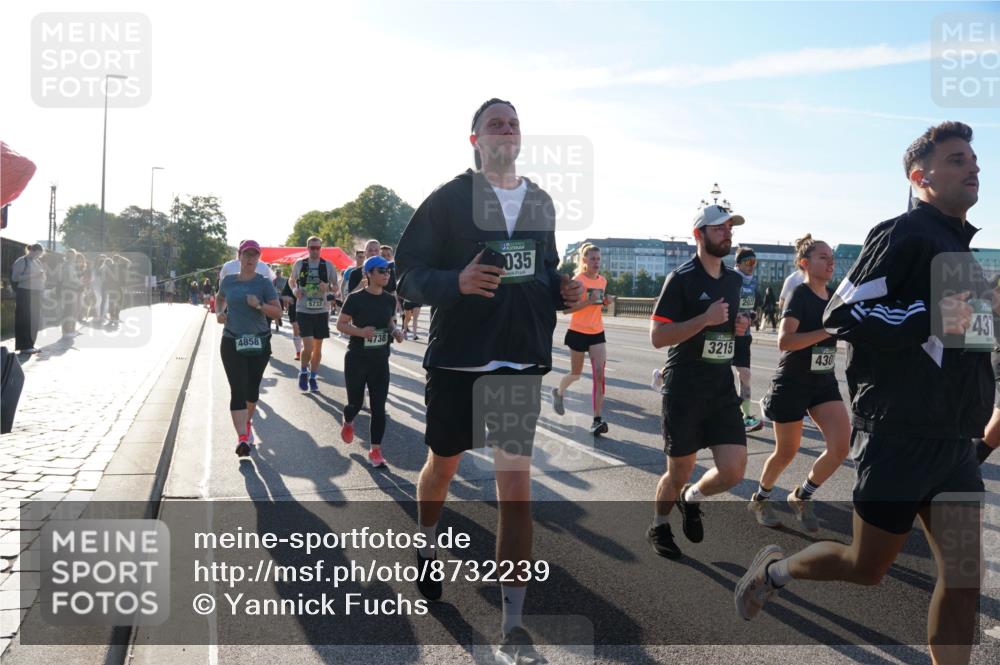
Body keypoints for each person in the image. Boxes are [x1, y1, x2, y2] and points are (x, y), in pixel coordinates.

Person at [736, 122, 986, 665]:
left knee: (965, 579)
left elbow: (962, 345)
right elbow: (843, 313)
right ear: (920, 178)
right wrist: (933, 314)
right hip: (899, 435)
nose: (973, 168)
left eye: (974, 160)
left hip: (953, 441)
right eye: (957, 160)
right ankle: (775, 572)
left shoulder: (966, 257)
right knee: (866, 567)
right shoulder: (902, 234)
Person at [395, 97, 584, 664]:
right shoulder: (449, 199)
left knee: (516, 491)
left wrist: (564, 292)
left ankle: (513, 624)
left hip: (517, 363)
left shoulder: (540, 201)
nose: (506, 129)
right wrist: (456, 281)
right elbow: (407, 275)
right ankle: (427, 543)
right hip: (459, 360)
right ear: (475, 140)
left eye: (513, 122)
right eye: (494, 123)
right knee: (443, 467)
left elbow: (545, 271)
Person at [647, 204, 751, 560]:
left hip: (720, 389)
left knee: (734, 470)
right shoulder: (681, 279)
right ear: (699, 234)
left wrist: (738, 326)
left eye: (729, 228)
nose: (727, 233)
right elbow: (658, 337)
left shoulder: (734, 280)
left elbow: (727, 327)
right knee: (679, 471)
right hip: (685, 389)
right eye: (719, 228)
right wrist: (704, 319)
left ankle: (691, 498)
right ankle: (659, 524)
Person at [749, 235, 850, 531]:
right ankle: (760, 499)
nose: (830, 262)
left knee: (840, 447)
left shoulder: (834, 297)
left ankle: (801, 496)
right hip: (793, 381)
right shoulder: (799, 295)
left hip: (824, 381)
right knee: (787, 452)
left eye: (832, 257)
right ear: (805, 263)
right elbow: (785, 341)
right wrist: (827, 331)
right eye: (823, 257)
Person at [336, 255, 404, 467]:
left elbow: (389, 322)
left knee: (378, 406)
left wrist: (395, 332)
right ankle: (348, 420)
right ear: (369, 273)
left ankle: (376, 451)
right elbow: (340, 324)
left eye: (388, 271)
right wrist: (361, 332)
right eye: (381, 271)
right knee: (355, 404)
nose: (386, 274)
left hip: (380, 360)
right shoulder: (356, 298)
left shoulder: (389, 299)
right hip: (357, 359)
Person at [215, 240, 282, 457]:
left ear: (258, 258)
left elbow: (278, 313)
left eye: (254, 255)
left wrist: (260, 305)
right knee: (238, 389)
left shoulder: (264, 283)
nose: (250, 259)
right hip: (232, 340)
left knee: (252, 390)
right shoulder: (228, 281)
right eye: (247, 254)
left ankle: (247, 422)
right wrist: (220, 313)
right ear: (240, 256)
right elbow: (220, 298)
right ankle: (242, 438)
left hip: (259, 342)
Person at [552, 243, 610, 435]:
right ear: (584, 260)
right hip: (577, 332)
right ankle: (559, 392)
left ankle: (597, 420)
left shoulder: (603, 281)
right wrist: (588, 301)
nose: (596, 262)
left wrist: (605, 302)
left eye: (598, 259)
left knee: (599, 377)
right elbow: (566, 310)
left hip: (597, 332)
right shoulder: (577, 281)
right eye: (592, 258)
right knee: (575, 374)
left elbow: (597, 304)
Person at [288, 236, 339, 393]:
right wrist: (295, 290)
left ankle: (313, 377)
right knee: (308, 345)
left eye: (318, 248)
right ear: (307, 248)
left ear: (321, 248)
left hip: (321, 311)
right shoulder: (300, 264)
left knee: (317, 348)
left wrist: (328, 288)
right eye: (312, 248)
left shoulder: (328, 265)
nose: (315, 250)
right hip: (303, 310)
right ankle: (304, 372)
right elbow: (291, 280)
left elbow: (336, 287)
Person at [733, 247, 763, 432]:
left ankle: (745, 416)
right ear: (738, 263)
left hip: (744, 335)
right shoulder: (731, 279)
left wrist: (752, 316)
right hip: (726, 334)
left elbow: (754, 307)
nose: (752, 265)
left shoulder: (753, 282)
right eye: (748, 262)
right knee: (713, 373)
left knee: (745, 374)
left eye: (754, 262)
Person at [10, 244, 46, 354]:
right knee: (24, 319)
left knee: (34, 320)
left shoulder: (37, 262)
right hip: (25, 292)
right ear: (31, 250)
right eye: (37, 253)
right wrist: (33, 275)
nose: (38, 256)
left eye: (40, 254)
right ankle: (24, 346)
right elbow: (15, 278)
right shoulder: (22, 261)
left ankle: (30, 345)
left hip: (36, 293)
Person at [280, 278, 303, 361]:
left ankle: (306, 350)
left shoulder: (313, 278)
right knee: (296, 329)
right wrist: (288, 298)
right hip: (294, 308)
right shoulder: (291, 279)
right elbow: (283, 295)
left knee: (307, 332)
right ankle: (298, 352)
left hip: (310, 310)